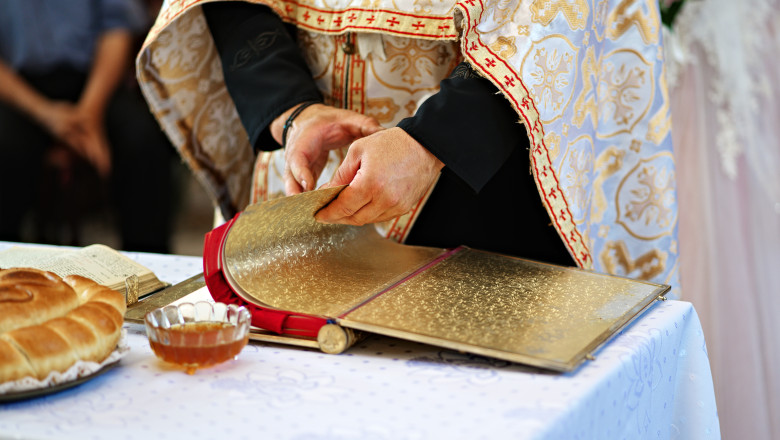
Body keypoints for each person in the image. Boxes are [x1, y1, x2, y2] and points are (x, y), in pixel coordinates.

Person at [136, 0, 679, 289]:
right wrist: (290, 110)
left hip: (481, 179)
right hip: (302, 152)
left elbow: (558, 18)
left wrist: (434, 140)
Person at [0, 0, 176, 253]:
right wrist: (46, 115)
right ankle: (6, 269)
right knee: (5, 148)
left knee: (144, 141)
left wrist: (89, 115)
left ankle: (149, 264)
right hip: (19, 90)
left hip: (96, 81)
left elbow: (117, 28)